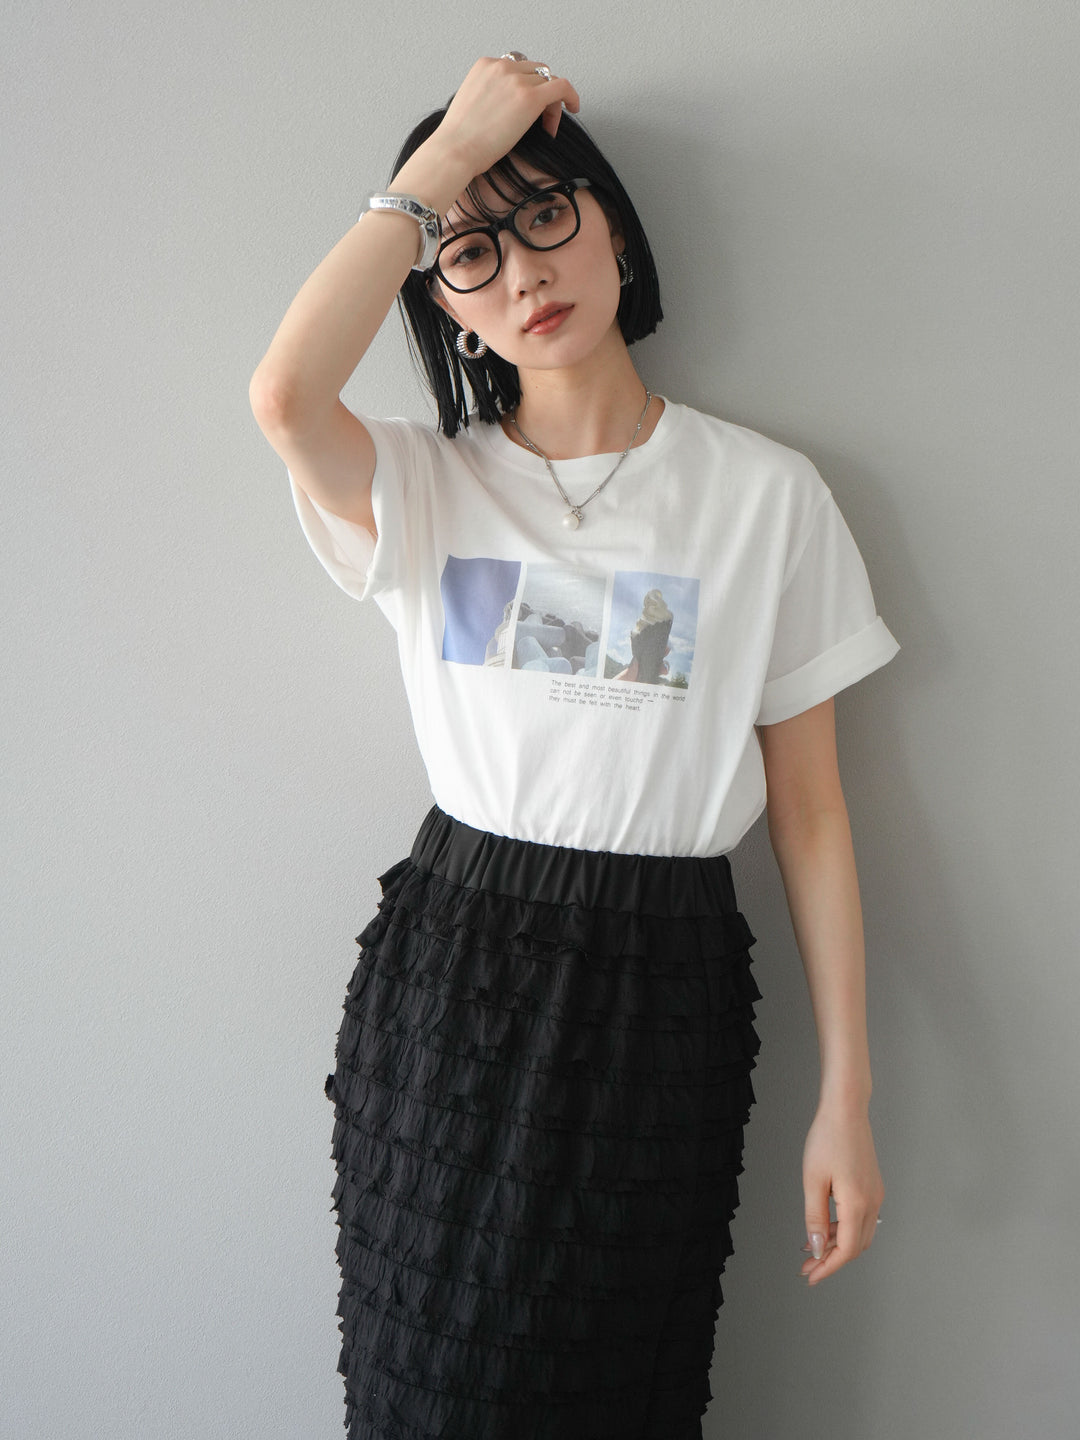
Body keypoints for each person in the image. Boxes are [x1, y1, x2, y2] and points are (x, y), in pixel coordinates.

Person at [249, 52, 897, 1440]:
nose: (524, 273)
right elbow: (286, 398)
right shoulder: (425, 483)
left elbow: (814, 815)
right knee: (433, 1395)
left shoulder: (767, 497)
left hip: (663, 990)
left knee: (611, 1391)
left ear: (614, 226)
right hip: (456, 972)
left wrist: (846, 1095)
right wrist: (442, 164)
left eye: (548, 215)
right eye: (470, 255)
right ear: (441, 301)